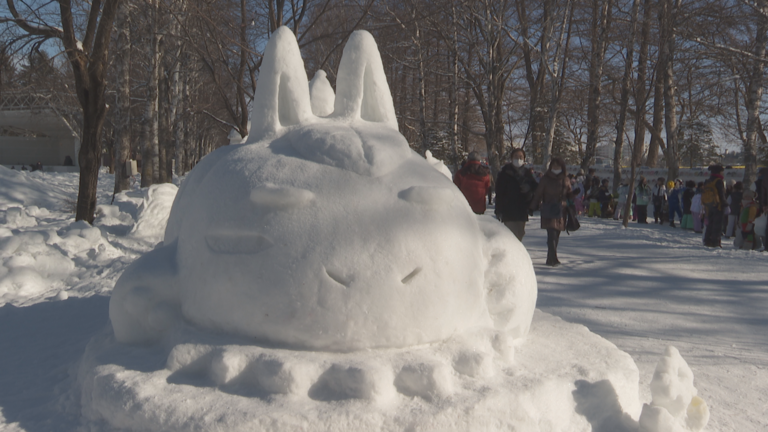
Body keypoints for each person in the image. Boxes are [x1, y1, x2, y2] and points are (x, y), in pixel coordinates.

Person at [530, 157, 572, 267]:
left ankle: (551, 256)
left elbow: (569, 194)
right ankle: (552, 257)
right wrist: (533, 206)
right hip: (549, 208)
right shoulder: (545, 179)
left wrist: (573, 197)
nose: (556, 168)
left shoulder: (565, 179)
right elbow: (538, 193)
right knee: (551, 234)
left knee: (556, 234)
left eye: (558, 166)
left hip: (561, 210)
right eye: (554, 166)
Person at [494, 148, 539, 241]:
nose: (518, 159)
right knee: (511, 236)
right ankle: (512, 254)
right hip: (508, 210)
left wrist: (528, 190)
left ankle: (516, 254)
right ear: (511, 158)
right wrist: (498, 209)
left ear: (524, 159)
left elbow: (536, 188)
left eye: (520, 157)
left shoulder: (527, 173)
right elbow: (499, 192)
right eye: (515, 157)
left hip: (522, 210)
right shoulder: (504, 173)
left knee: (520, 233)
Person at [702, 165, 727, 248]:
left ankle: (707, 240)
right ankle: (715, 241)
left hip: (708, 205)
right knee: (717, 224)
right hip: (718, 205)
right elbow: (721, 194)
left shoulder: (708, 180)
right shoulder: (719, 181)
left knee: (710, 223)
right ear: (719, 172)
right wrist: (724, 203)